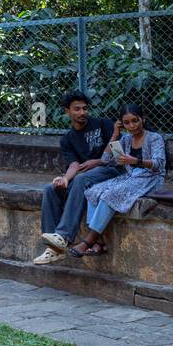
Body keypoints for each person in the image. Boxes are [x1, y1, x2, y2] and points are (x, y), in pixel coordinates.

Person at [32, 91, 121, 265]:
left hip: (112, 171)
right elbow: (74, 165)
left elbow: (119, 153)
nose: (82, 113)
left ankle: (64, 236)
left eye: (85, 108)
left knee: (80, 179)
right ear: (67, 112)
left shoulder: (103, 124)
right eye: (77, 109)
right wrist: (65, 179)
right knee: (51, 189)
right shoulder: (67, 139)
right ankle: (53, 250)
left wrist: (97, 162)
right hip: (88, 176)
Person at [68, 103, 166, 257]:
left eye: (135, 121)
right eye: (127, 123)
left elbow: (158, 165)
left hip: (150, 179)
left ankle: (88, 241)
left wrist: (135, 161)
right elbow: (106, 159)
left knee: (109, 195)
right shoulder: (126, 139)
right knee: (93, 191)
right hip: (130, 177)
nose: (132, 126)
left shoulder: (154, 138)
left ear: (143, 119)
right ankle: (99, 242)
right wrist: (115, 135)